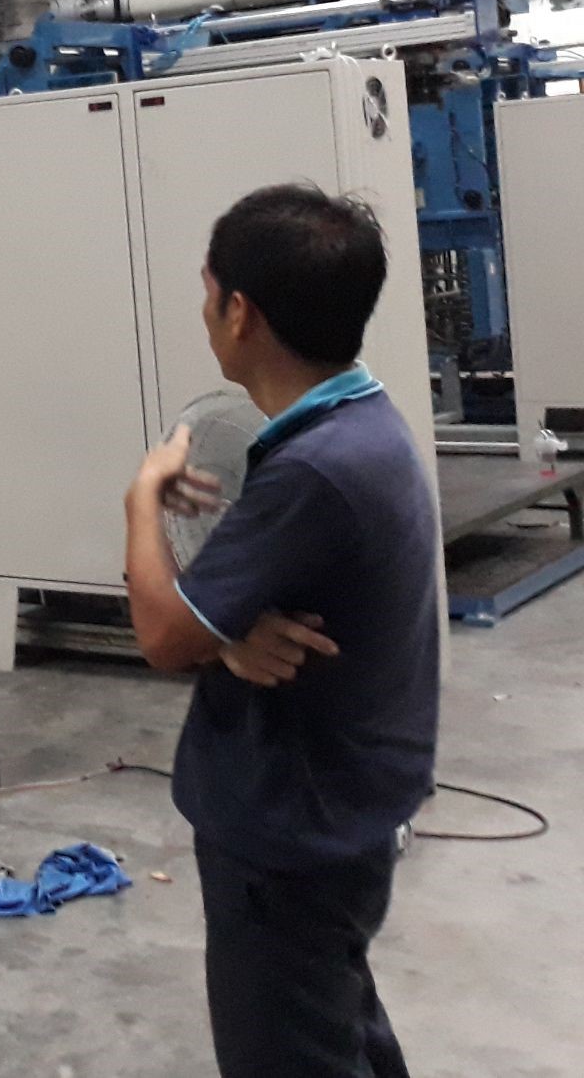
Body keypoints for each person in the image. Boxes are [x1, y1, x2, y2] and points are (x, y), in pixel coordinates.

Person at [121, 183, 440, 1078]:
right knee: (337, 1028)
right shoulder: (361, 429)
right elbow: (223, 614)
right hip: (342, 817)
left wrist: (141, 501)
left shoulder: (312, 473)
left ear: (241, 313)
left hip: (289, 835)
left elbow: (161, 633)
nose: (203, 311)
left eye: (207, 291)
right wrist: (228, 633)